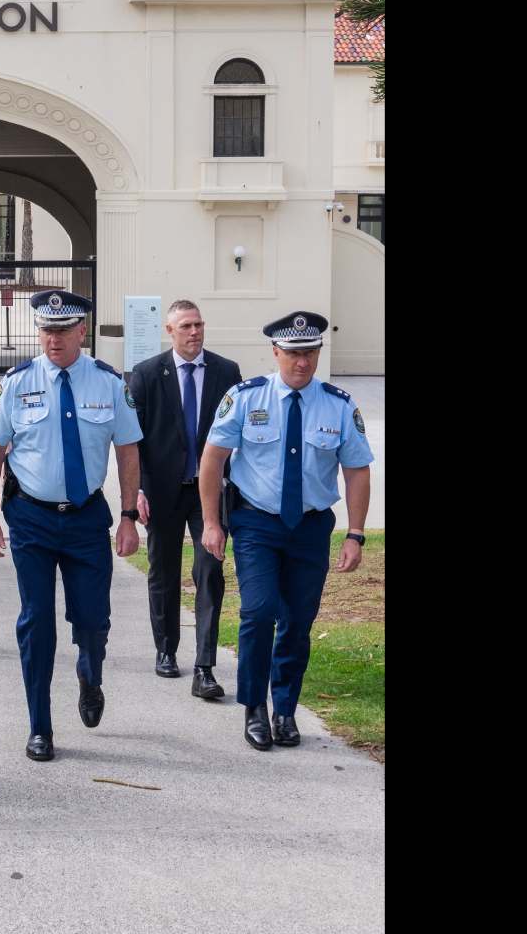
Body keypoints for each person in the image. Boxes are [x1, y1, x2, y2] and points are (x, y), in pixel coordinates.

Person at [0, 291, 142, 762]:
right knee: (36, 623)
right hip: (31, 517)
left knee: (92, 621)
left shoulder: (109, 383)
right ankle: (40, 726)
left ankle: (91, 675)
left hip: (87, 518)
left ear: (81, 331)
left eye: (63, 329)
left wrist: (129, 516)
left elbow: (128, 449)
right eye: (46, 329)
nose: (53, 338)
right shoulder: (16, 382)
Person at [198, 311, 373, 751]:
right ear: (275, 352)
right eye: (293, 353)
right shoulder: (245, 398)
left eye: (310, 353)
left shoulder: (338, 404)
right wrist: (212, 523)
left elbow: (356, 470)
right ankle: (254, 707)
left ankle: (285, 710)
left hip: (310, 528)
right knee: (257, 611)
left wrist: (355, 533)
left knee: (297, 622)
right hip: (256, 522)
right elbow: (213, 458)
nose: (302, 362)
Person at [127, 300, 242, 699]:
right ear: (169, 330)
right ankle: (165, 649)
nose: (195, 332)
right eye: (186, 326)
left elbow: (236, 435)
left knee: (210, 571)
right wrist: (137, 490)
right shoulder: (145, 375)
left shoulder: (227, 372)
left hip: (208, 492)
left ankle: (205, 665)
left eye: (199, 325)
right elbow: (133, 440)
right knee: (164, 570)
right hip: (162, 490)